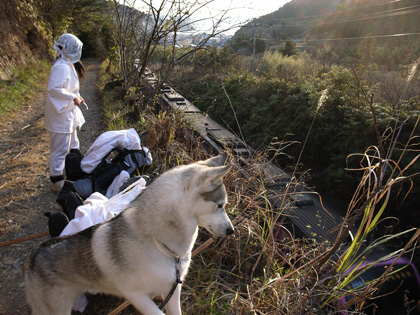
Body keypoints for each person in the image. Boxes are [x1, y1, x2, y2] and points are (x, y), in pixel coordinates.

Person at [44, 33, 86, 193]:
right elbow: (54, 90)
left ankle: (74, 172)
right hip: (60, 115)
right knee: (60, 149)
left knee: (73, 144)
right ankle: (56, 180)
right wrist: (72, 97)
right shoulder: (61, 66)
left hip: (67, 113)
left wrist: (76, 96)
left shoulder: (66, 64)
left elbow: (67, 88)